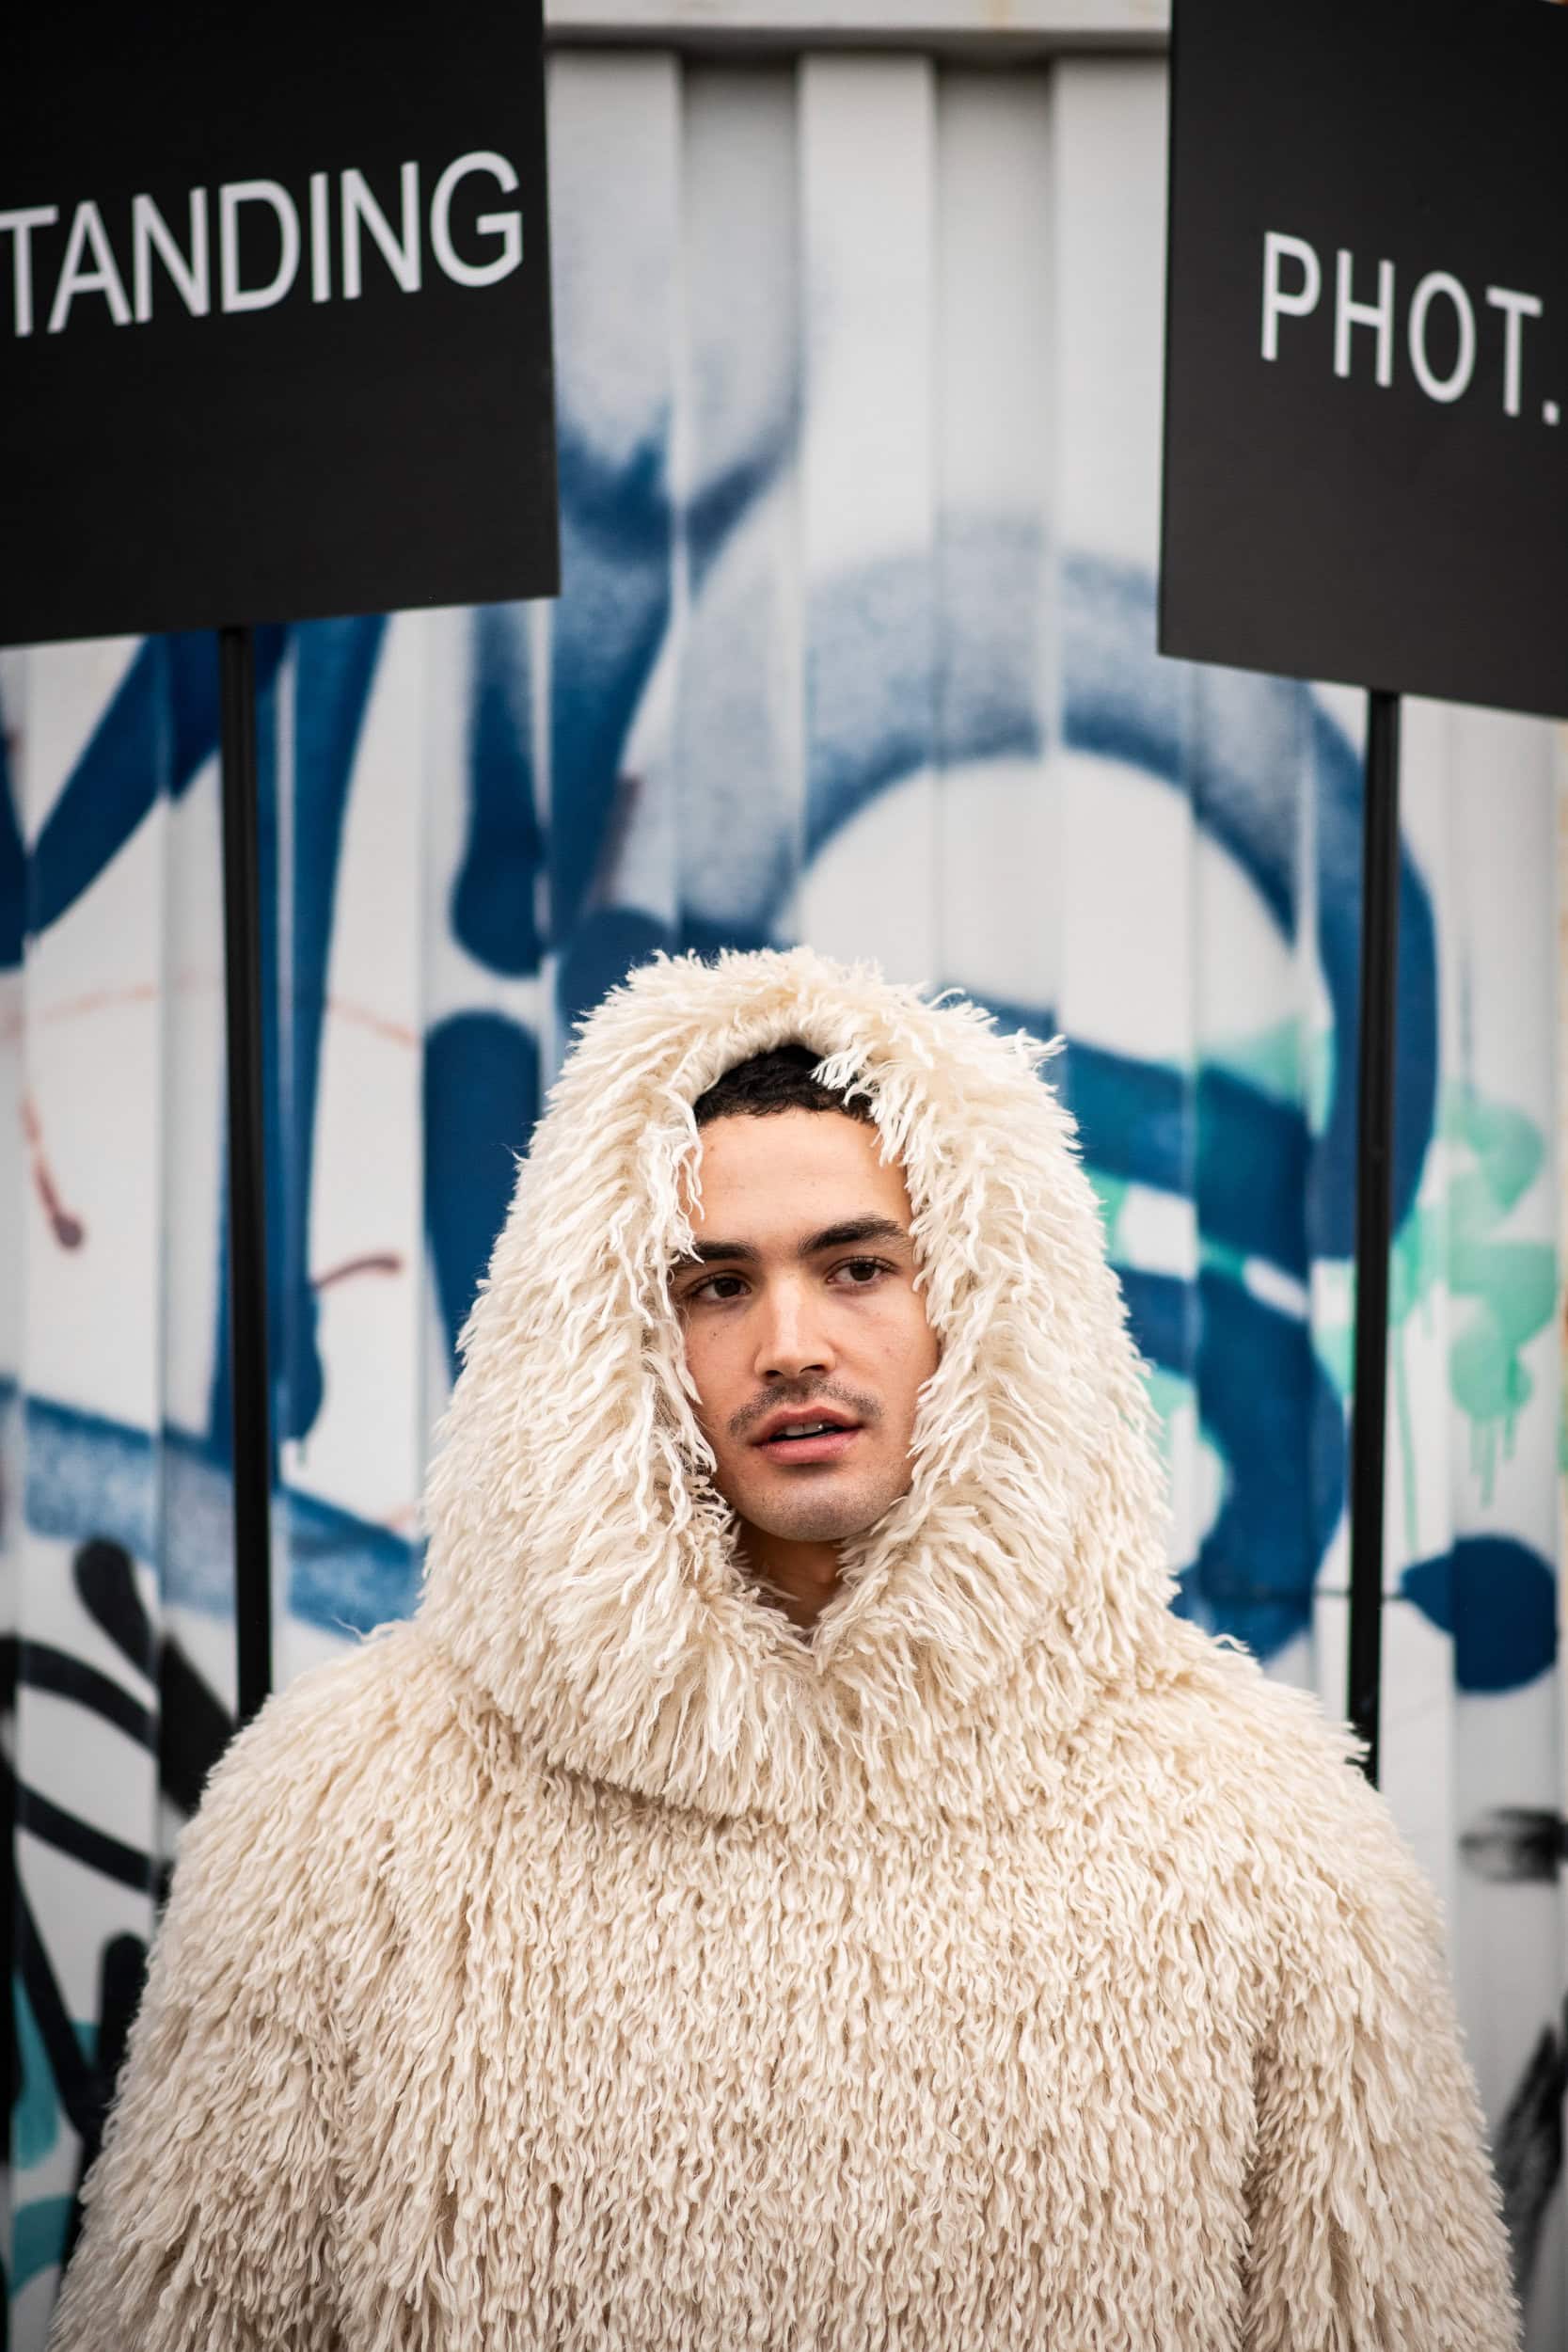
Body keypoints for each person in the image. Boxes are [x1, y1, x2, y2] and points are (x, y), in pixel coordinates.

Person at [49, 946, 1520, 2350]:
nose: (792, 1344)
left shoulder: (1261, 1831)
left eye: (858, 1266)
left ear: (985, 1303)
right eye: (717, 1285)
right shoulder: (338, 1817)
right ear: (610, 1337)